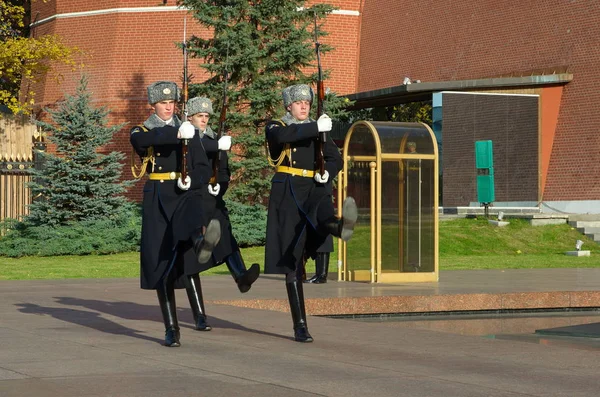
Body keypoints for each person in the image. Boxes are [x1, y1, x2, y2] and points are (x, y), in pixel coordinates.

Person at [130, 81, 222, 348]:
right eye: (163, 103)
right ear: (154, 105)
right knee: (162, 263)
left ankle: (202, 245)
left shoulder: (190, 131)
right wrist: (178, 134)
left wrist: (191, 180)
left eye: (172, 103)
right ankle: (171, 327)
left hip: (184, 194)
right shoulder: (144, 129)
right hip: (158, 196)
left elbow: (203, 167)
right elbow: (143, 141)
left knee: (192, 223)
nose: (169, 107)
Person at [264, 83, 358, 342]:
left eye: (307, 102)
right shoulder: (276, 126)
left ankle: (339, 227)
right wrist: (316, 127)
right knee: (293, 262)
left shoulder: (320, 128)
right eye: (299, 103)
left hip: (315, 187)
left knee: (323, 211)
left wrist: (328, 170)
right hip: (288, 192)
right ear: (288, 106)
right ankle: (300, 325)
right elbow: (284, 138)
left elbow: (335, 158)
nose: (304, 106)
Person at [183, 96, 260, 294]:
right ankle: (198, 313)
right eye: (200, 115)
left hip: (211, 197)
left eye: (207, 116)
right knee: (191, 256)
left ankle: (241, 276)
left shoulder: (216, 140)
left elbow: (224, 171)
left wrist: (219, 185)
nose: (204, 120)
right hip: (190, 198)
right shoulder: (184, 138)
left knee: (225, 235)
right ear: (189, 117)